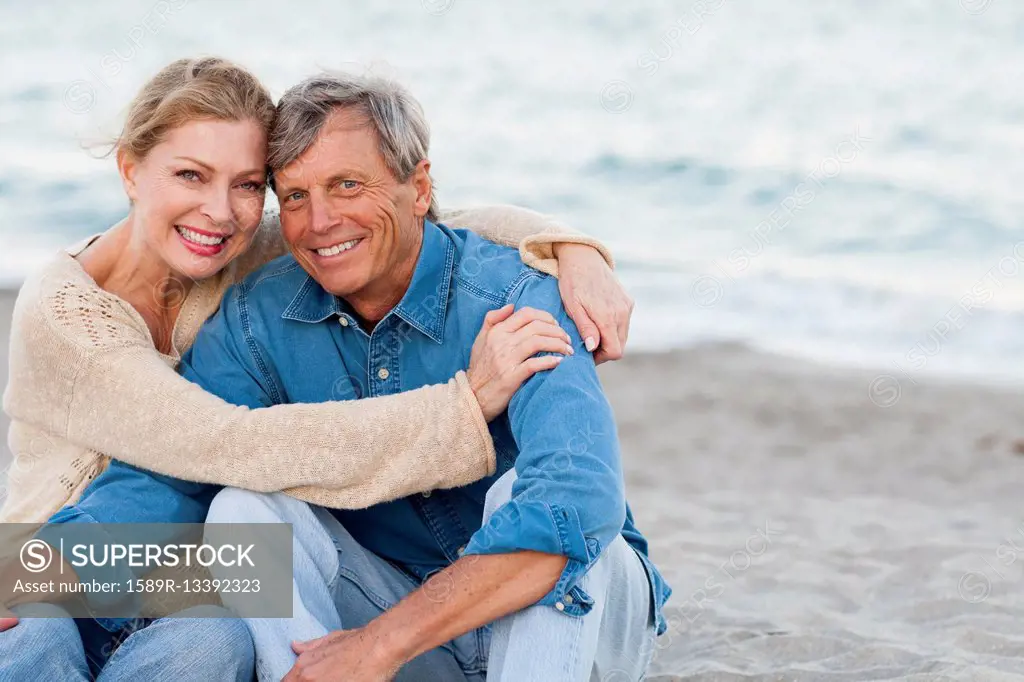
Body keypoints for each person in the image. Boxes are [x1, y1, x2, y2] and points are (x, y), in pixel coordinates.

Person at [15, 70, 672, 681]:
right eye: (294, 195)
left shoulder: (520, 297)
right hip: (392, 610)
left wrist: (574, 247)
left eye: (348, 186)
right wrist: (28, 572)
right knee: (244, 512)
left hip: (569, 635)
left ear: (419, 187)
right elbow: (170, 474)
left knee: (542, 512)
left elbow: (575, 506)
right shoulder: (253, 314)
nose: (320, 222)